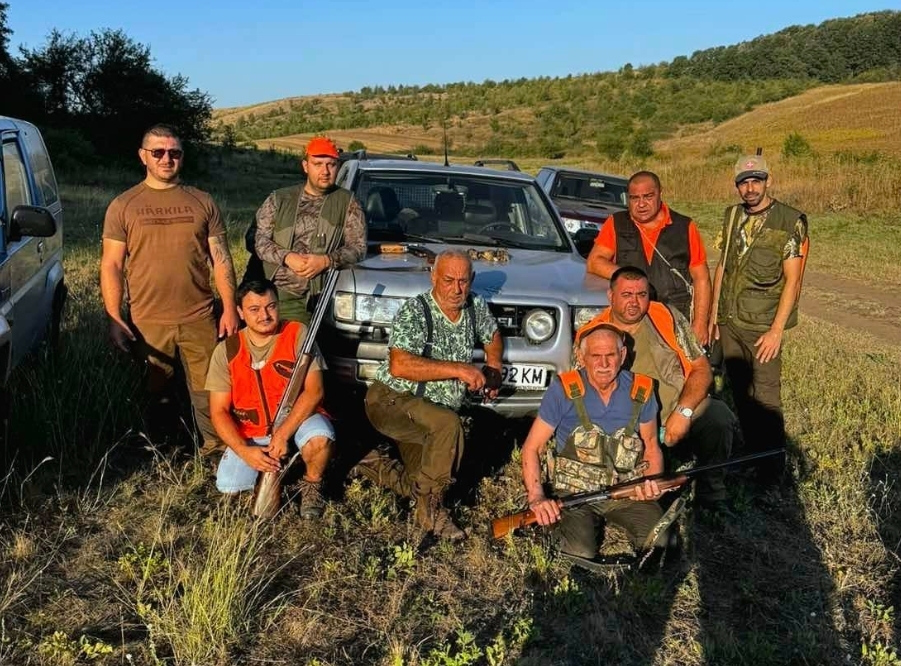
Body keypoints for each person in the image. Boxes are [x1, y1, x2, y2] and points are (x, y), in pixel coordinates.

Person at [101, 123, 240, 455]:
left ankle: (215, 449)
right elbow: (112, 265)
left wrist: (229, 307)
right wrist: (113, 316)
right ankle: (160, 448)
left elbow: (221, 259)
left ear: (182, 156)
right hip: (147, 320)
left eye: (174, 152)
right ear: (143, 156)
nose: (166, 159)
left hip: (199, 316)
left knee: (210, 389)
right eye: (158, 152)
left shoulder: (202, 201)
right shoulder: (123, 205)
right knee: (154, 388)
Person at [360, 250, 503, 540]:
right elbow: (399, 366)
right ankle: (432, 512)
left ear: (472, 279)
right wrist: (459, 369)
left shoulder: (475, 305)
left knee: (424, 479)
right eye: (448, 280)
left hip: (430, 414)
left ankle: (370, 463)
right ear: (433, 277)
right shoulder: (415, 311)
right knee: (448, 425)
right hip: (393, 400)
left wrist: (494, 367)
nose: (456, 289)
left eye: (463, 281)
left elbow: (492, 336)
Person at [581, 266, 735, 514]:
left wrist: (683, 412)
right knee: (641, 497)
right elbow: (581, 399)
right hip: (627, 427)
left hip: (673, 413)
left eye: (641, 295)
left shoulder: (665, 316)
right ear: (610, 296)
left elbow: (701, 369)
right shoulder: (593, 333)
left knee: (717, 416)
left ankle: (712, 493)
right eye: (626, 294)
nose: (634, 302)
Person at [522, 323, 670, 562]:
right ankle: (554, 530)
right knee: (579, 552)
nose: (604, 364)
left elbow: (652, 445)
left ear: (623, 355)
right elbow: (532, 447)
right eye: (595, 356)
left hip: (626, 491)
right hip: (574, 493)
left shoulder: (641, 389)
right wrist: (537, 497)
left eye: (610, 355)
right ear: (581, 357)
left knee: (660, 542)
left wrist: (651, 484)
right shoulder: (563, 389)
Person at [709, 155, 809, 484]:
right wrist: (713, 317)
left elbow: (793, 281)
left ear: (769, 181)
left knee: (766, 397)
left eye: (756, 181)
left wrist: (777, 330)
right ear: (736, 185)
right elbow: (722, 267)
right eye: (744, 182)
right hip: (730, 322)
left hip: (763, 326)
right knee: (740, 391)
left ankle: (772, 471)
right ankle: (752, 455)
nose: (750, 188)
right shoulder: (731, 216)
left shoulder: (789, 220)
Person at [206, 279, 335, 519]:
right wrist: (244, 450)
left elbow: (315, 391)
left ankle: (312, 484)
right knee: (229, 487)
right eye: (254, 309)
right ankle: (278, 468)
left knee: (320, 439)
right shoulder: (227, 350)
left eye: (271, 306)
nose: (264, 315)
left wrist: (282, 434)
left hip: (298, 419)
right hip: (251, 431)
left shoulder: (298, 334)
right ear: (240, 312)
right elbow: (218, 411)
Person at [586, 171, 712, 345]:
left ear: (660, 193)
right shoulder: (616, 223)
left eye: (648, 196)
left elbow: (701, 278)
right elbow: (594, 262)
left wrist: (700, 323)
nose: (641, 204)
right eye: (634, 198)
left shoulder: (684, 226)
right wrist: (631, 280)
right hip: (633, 321)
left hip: (677, 319)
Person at [250, 136, 366, 323]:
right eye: (318, 164)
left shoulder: (347, 202)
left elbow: (358, 248)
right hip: (269, 293)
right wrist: (287, 257)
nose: (325, 171)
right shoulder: (279, 199)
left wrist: (326, 261)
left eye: (331, 165)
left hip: (314, 297)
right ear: (305, 166)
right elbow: (254, 239)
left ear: (337, 167)